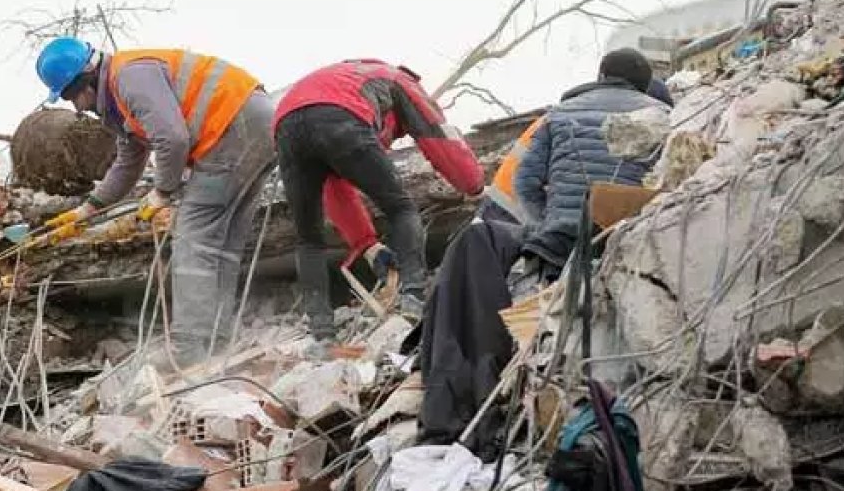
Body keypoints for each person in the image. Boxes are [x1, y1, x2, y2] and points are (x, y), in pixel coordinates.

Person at [34, 37, 275, 367]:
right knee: (221, 245)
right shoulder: (119, 102)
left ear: (85, 79)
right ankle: (216, 339)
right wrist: (88, 208)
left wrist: (163, 190)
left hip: (232, 126)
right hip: (252, 122)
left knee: (193, 240)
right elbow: (128, 162)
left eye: (71, 95)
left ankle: (189, 349)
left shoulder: (130, 77)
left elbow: (173, 139)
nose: (76, 107)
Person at [272, 59, 484, 347]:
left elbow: (337, 187)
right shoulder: (401, 82)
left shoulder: (345, 79)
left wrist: (367, 245)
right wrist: (473, 184)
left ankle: (322, 334)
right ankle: (413, 297)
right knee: (401, 208)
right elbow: (437, 134)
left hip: (286, 125)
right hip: (341, 115)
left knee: (309, 239)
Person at [514, 48, 669, 280]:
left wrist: (546, 222)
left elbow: (525, 181)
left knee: (549, 311)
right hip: (631, 244)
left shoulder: (558, 114)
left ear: (601, 75)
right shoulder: (664, 116)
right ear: (646, 85)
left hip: (560, 243)